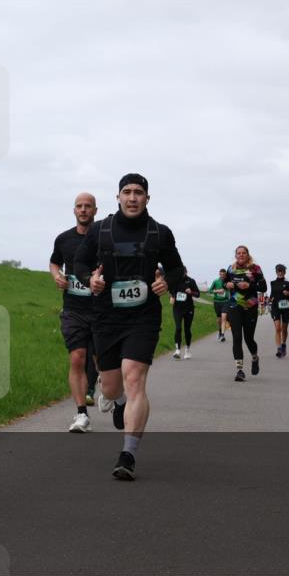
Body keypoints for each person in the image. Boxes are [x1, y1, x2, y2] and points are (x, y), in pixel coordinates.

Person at [74, 173, 185, 480]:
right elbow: (80, 264)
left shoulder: (159, 233)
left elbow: (177, 268)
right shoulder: (100, 230)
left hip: (143, 317)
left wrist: (167, 281)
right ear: (118, 197)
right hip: (106, 317)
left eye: (139, 192)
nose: (133, 197)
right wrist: (89, 280)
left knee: (134, 377)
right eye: (127, 192)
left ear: (147, 198)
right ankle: (118, 402)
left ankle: (128, 454)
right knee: (110, 387)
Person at [50, 192, 100, 432]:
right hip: (74, 309)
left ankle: (114, 395)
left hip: (102, 310)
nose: (83, 210)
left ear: (95, 210)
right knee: (77, 357)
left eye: (87, 206)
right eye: (79, 206)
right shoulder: (63, 239)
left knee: (104, 362)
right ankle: (81, 414)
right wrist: (57, 276)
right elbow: (54, 262)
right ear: (74, 210)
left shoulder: (104, 238)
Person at [225, 246, 267, 382]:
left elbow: (263, 287)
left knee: (249, 339)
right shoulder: (230, 268)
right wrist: (228, 285)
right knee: (237, 337)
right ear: (235, 255)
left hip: (250, 305)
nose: (241, 255)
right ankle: (239, 370)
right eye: (239, 253)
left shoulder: (255, 268)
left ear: (248, 255)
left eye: (244, 253)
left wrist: (249, 286)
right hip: (234, 305)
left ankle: (255, 358)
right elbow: (225, 282)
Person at [270, 264, 289, 358]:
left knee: (284, 329)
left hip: (286, 308)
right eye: (278, 271)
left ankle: (283, 345)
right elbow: (272, 295)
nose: (280, 272)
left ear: (284, 272)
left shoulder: (288, 282)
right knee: (278, 328)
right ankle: (278, 349)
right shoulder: (272, 283)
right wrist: (269, 300)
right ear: (276, 272)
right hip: (275, 307)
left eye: (282, 271)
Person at [170, 267, 199, 360]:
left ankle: (187, 349)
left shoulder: (191, 281)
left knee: (187, 329)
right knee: (178, 327)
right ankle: (177, 350)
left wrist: (191, 292)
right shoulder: (175, 281)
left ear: (185, 272)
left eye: (182, 272)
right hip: (177, 308)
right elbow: (171, 292)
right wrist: (172, 297)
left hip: (188, 308)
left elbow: (198, 294)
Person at [207, 268, 229, 342]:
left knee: (224, 317)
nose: (222, 276)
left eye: (224, 274)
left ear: (225, 275)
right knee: (219, 319)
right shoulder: (216, 281)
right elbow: (209, 290)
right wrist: (217, 291)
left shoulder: (228, 282)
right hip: (217, 302)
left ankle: (222, 335)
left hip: (225, 301)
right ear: (219, 274)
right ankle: (220, 331)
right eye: (221, 274)